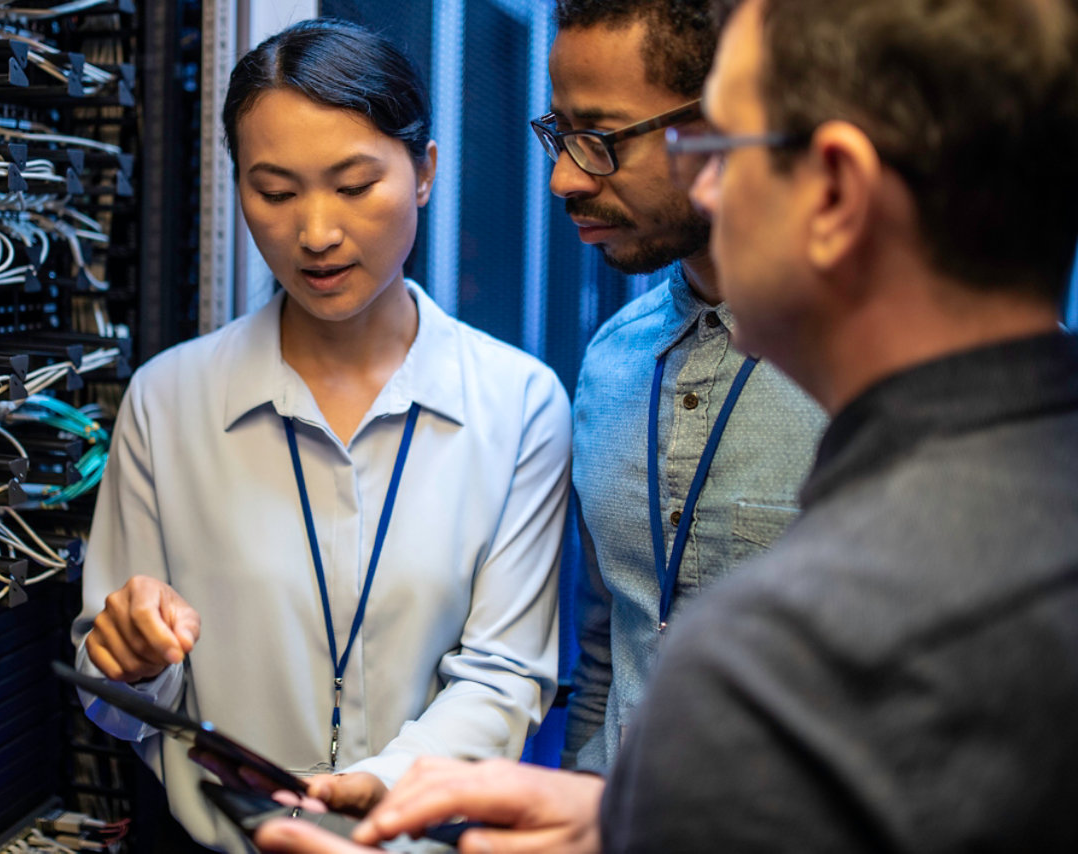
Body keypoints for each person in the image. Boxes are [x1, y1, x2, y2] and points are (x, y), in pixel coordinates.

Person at [250, 0, 1078, 850]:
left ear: (834, 188)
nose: (708, 184)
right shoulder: (619, 365)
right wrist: (610, 821)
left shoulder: (819, 621)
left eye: (728, 147)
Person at [70, 19, 572, 852]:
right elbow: (114, 696)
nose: (315, 233)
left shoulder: (519, 406)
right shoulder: (170, 399)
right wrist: (129, 660)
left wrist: (384, 782)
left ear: (425, 173)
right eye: (275, 192)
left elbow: (507, 675)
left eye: (352, 185)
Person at [533, 0, 824, 771]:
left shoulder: (881, 374)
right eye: (560, 134)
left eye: (600, 140)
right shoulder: (612, 361)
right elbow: (609, 648)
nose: (564, 177)